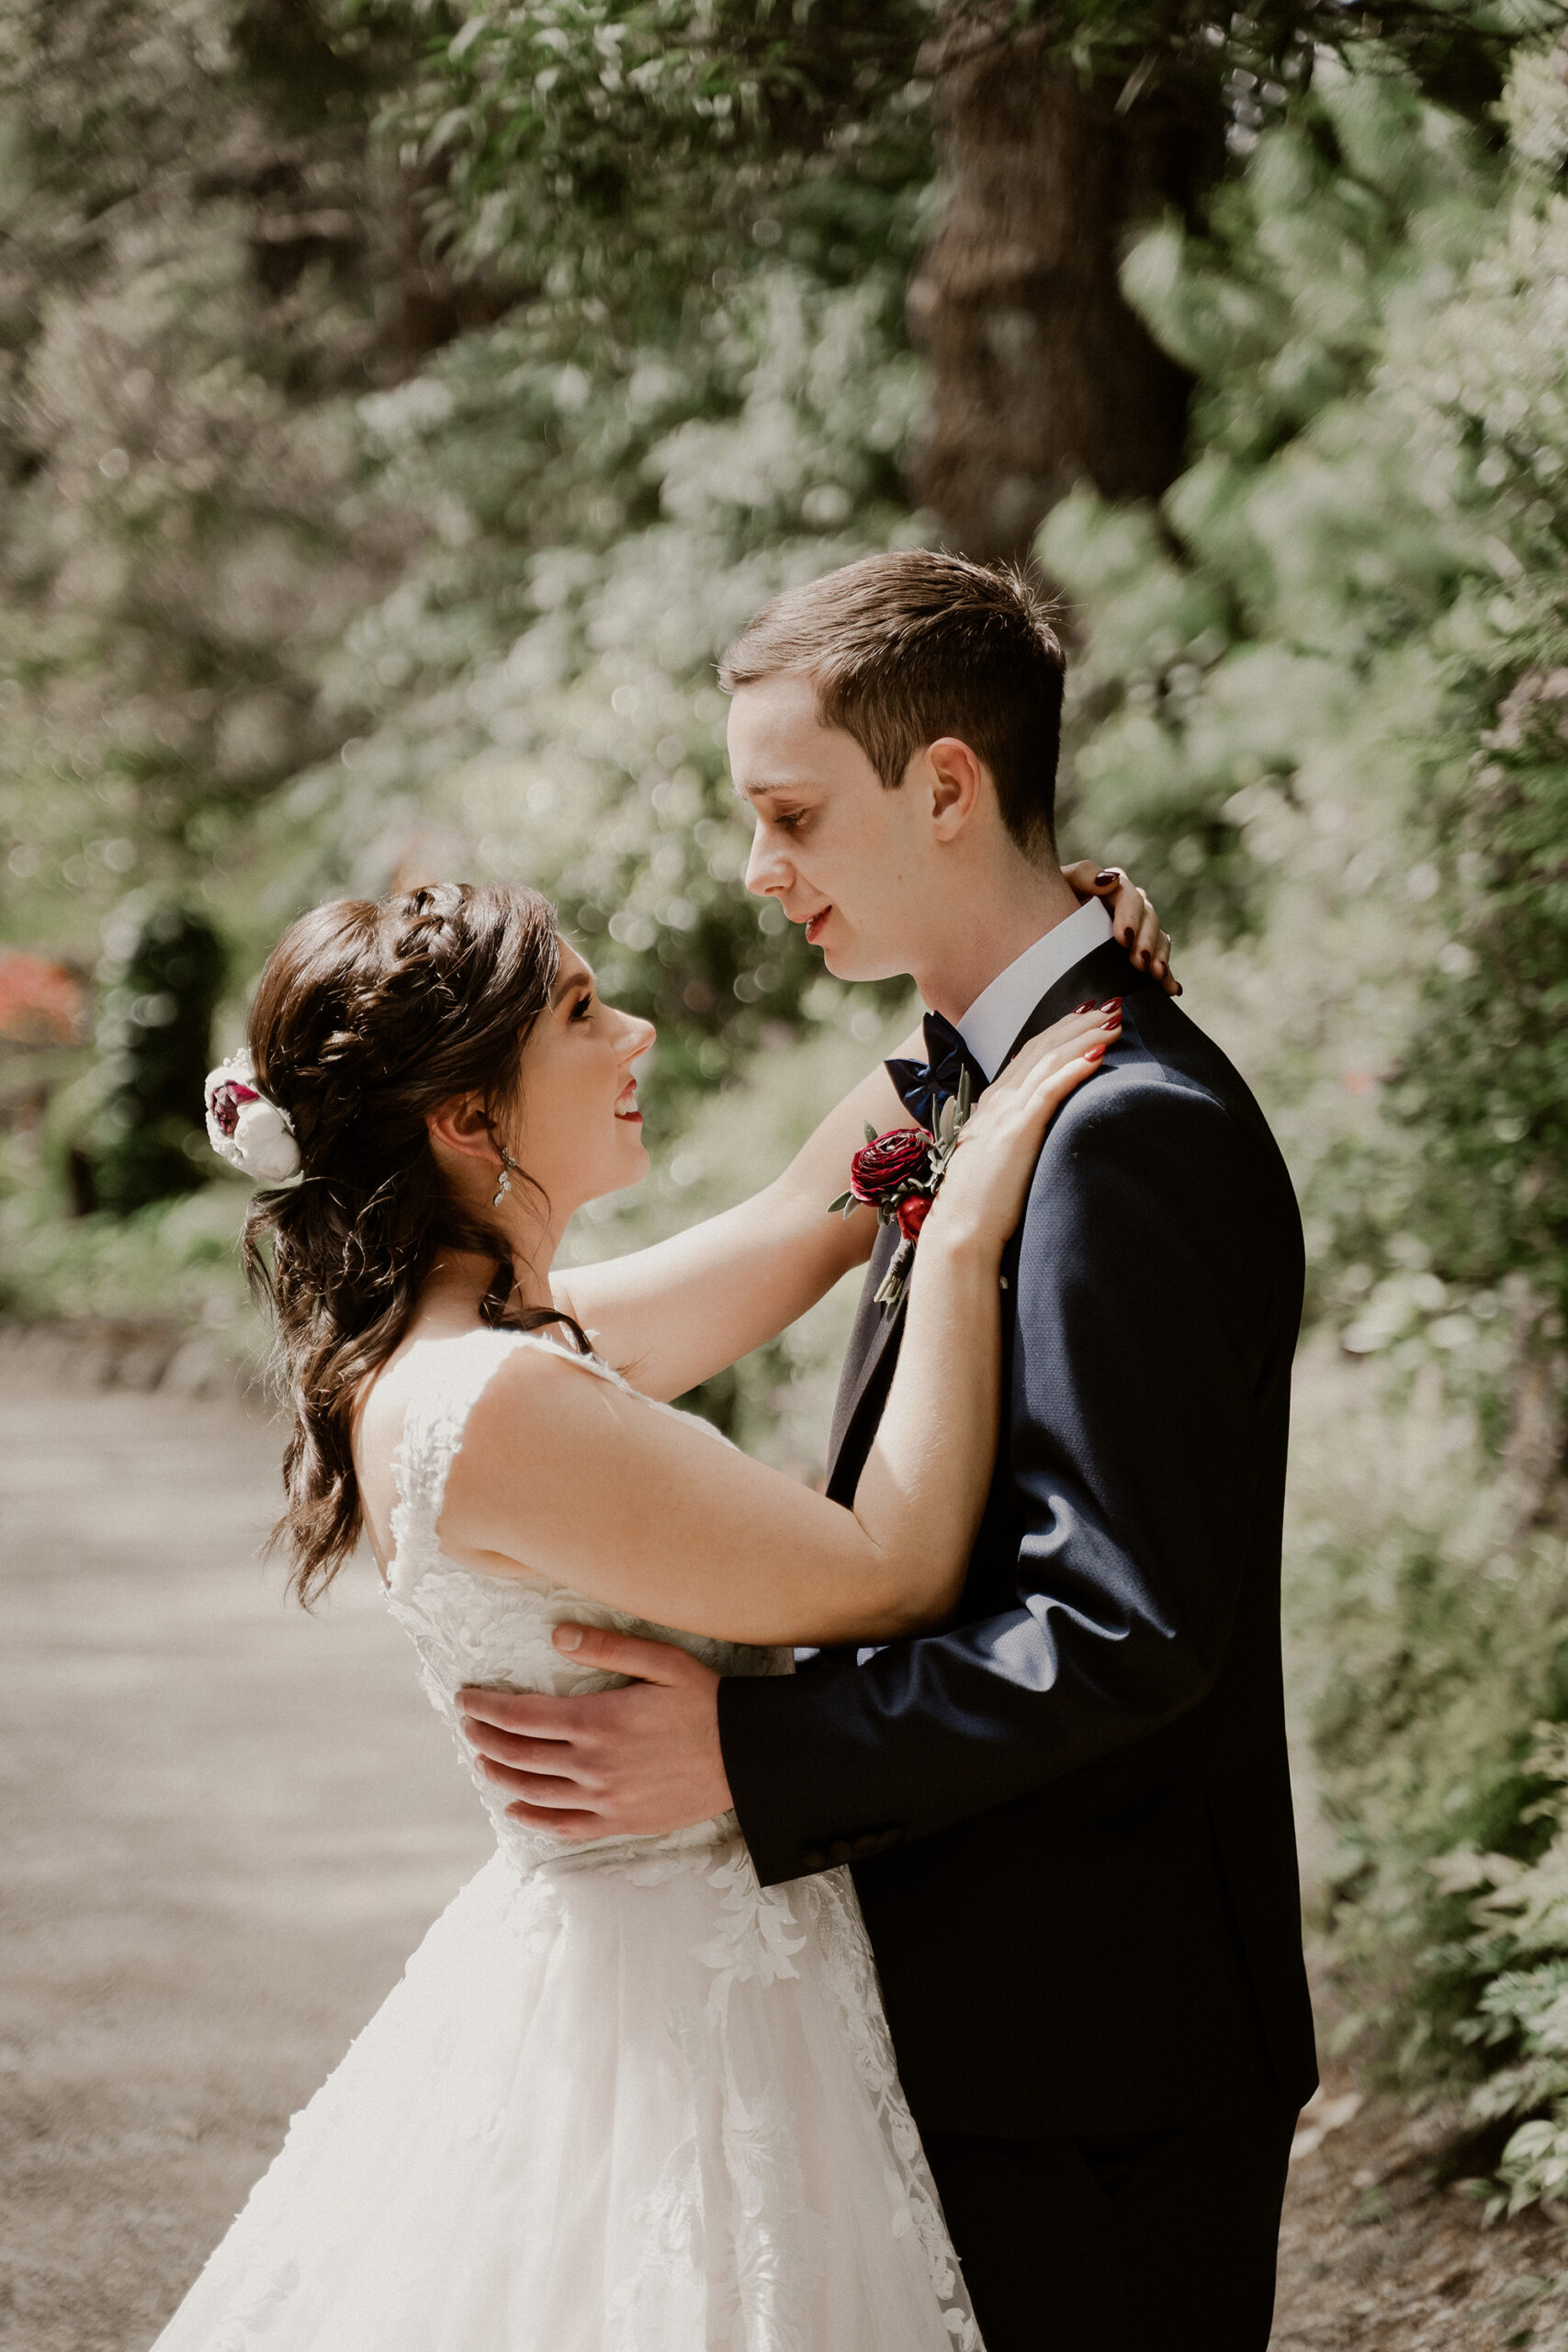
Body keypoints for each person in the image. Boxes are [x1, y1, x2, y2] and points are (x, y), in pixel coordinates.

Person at [459, 551, 1319, 2352]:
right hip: (971, 2006)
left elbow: (1122, 1625)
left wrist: (748, 1754)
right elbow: (760, 1237)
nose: (754, 867)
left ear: (944, 785)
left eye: (787, 812)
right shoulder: (956, 1086)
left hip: (1093, 2044)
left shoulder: (1119, 1129)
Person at [150, 847, 1161, 2351]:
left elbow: (785, 1227)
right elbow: (895, 1571)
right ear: (468, 1118)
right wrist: (955, 1250)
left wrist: (1018, 978)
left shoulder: (475, 1340)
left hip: (656, 1971)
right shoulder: (499, 1398)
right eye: (579, 1014)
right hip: (670, 2029)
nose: (638, 1037)